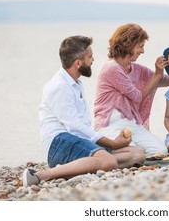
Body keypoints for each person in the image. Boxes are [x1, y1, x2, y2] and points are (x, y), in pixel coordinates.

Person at [22, 35, 145, 187]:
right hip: (59, 143)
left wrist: (113, 144)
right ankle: (40, 176)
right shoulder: (60, 86)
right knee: (108, 161)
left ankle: (84, 165)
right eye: (90, 57)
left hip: (78, 141)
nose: (93, 60)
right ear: (78, 63)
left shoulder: (76, 82)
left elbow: (82, 127)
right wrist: (112, 144)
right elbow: (74, 127)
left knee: (137, 154)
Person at [93, 23, 169, 157]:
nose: (142, 51)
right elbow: (137, 96)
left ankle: (119, 155)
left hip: (132, 124)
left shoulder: (136, 69)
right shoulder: (111, 68)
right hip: (109, 125)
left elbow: (163, 80)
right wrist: (157, 75)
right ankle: (99, 154)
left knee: (160, 151)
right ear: (128, 44)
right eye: (140, 46)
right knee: (134, 153)